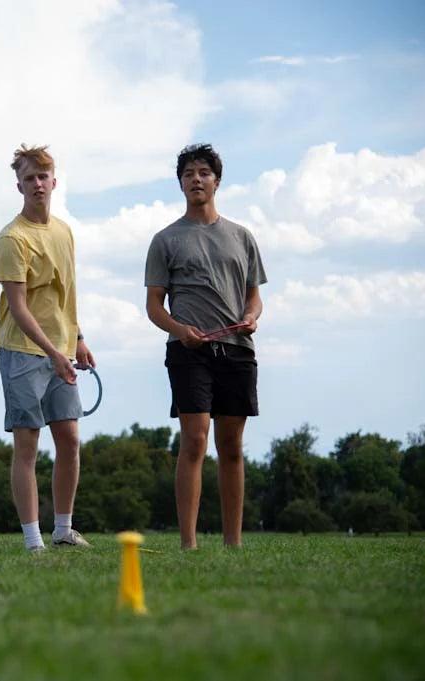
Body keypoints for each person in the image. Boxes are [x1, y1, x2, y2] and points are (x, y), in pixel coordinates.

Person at [144, 143, 266, 550]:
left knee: (230, 447)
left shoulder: (242, 237)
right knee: (194, 440)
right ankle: (189, 544)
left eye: (204, 173)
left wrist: (251, 317)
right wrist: (180, 330)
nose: (196, 179)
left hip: (237, 350)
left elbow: (254, 297)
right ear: (180, 183)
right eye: (188, 174)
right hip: (188, 352)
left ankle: (233, 543)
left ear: (217, 181)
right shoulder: (165, 239)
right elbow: (154, 306)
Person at [0, 145, 94, 552]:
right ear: (19, 186)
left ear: (54, 182)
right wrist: (54, 352)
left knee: (69, 438)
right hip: (22, 351)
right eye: (29, 178)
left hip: (60, 351)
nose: (37, 183)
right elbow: (18, 309)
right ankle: (33, 540)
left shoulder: (64, 231)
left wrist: (78, 339)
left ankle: (63, 529)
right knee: (27, 444)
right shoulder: (11, 239)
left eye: (43, 176)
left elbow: (66, 294)